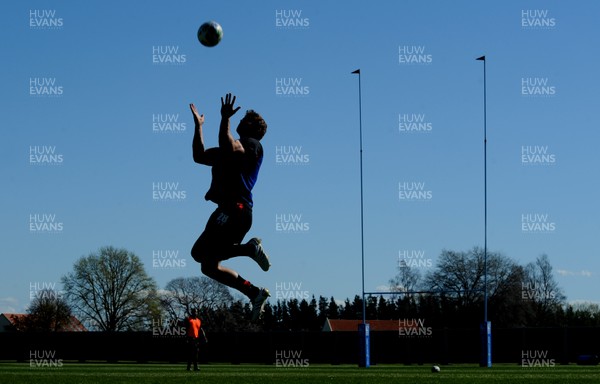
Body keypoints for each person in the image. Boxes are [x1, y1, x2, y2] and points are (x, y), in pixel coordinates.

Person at [189, 93, 271, 321]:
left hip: (236, 210)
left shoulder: (253, 146)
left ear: (252, 129)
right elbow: (199, 156)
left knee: (199, 254)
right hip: (228, 210)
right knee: (207, 265)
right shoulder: (229, 150)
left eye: (247, 119)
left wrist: (225, 118)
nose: (242, 120)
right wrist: (199, 127)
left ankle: (249, 249)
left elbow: (230, 147)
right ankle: (254, 292)